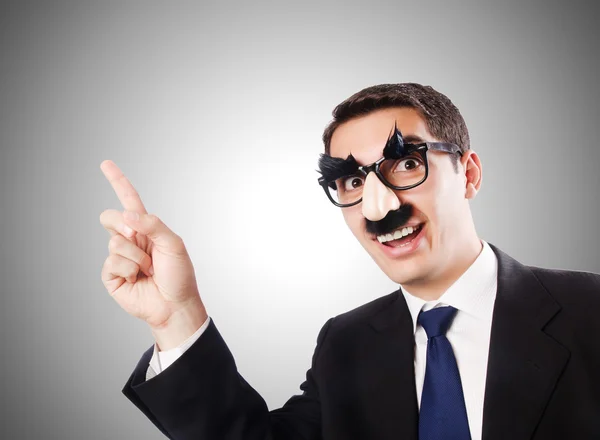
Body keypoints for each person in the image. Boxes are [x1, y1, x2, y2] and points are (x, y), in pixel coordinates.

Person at [100, 83, 600, 440]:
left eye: (406, 164)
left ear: (468, 174)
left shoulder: (589, 312)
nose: (378, 207)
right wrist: (177, 316)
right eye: (353, 181)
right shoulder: (346, 343)